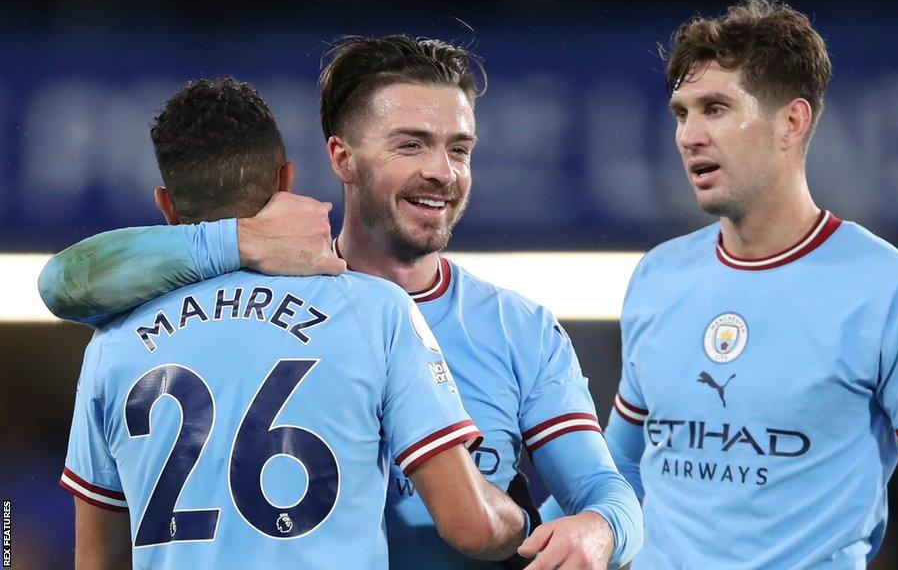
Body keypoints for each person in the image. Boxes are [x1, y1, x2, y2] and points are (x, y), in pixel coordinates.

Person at [40, 37, 643, 570]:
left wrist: (601, 530)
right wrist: (242, 242)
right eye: (410, 145)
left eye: (459, 150)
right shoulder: (349, 314)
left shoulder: (520, 329)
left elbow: (604, 490)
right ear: (340, 157)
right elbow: (61, 280)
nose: (442, 171)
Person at [596, 0, 898, 569]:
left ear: (792, 121)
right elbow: (621, 474)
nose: (689, 135)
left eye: (715, 108)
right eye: (681, 113)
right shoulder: (658, 275)